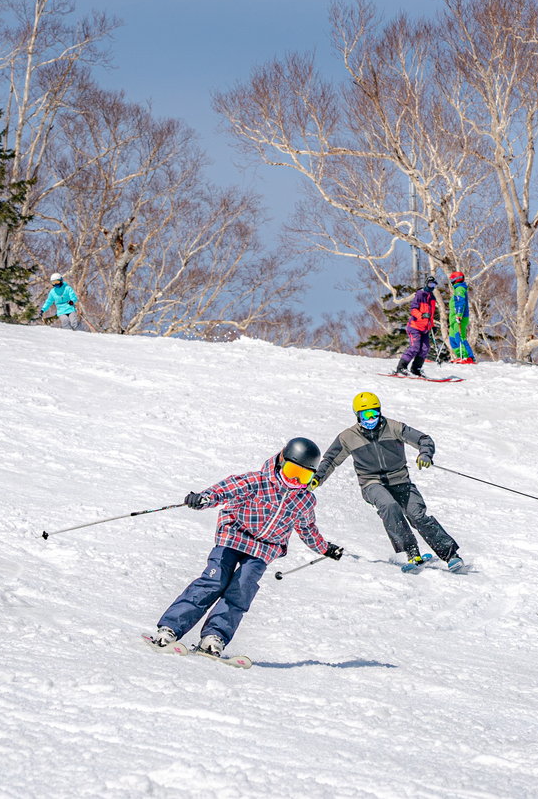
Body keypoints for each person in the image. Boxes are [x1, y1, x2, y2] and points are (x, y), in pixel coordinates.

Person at [149, 437, 343, 658]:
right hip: (233, 536)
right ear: (281, 461)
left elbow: (307, 528)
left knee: (241, 590)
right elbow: (226, 489)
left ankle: (214, 637)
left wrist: (325, 548)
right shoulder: (257, 481)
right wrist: (204, 498)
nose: (295, 480)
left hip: (264, 550)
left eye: (304, 476)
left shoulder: (304, 500)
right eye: (291, 471)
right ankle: (170, 629)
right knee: (213, 581)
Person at [311, 392, 464, 573]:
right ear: (357, 416)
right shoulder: (348, 437)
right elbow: (330, 460)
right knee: (389, 506)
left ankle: (450, 554)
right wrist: (317, 478)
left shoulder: (394, 427)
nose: (371, 419)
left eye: (375, 413)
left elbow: (424, 439)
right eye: (365, 415)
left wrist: (425, 454)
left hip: (400, 480)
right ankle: (410, 552)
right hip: (371, 483)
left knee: (418, 515)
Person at [393, 277, 439, 377]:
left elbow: (431, 315)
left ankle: (416, 369)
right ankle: (401, 368)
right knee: (415, 347)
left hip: (425, 328)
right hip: (415, 326)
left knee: (425, 348)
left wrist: (432, 326)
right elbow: (413, 309)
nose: (432, 287)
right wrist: (421, 315)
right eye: (431, 284)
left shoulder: (432, 298)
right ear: (426, 283)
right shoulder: (419, 294)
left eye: (434, 285)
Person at [447, 271, 475, 364]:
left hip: (460, 317)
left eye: (451, 280)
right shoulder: (457, 289)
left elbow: (460, 302)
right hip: (453, 319)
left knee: (459, 336)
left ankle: (467, 357)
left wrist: (459, 315)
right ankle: (460, 356)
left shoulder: (459, 288)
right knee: (452, 338)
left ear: (455, 280)